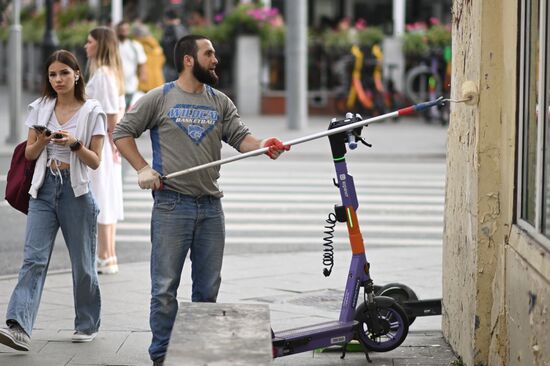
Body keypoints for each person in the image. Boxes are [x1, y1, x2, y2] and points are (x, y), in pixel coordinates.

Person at [113, 34, 290, 366]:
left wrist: (266, 144)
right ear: (188, 60)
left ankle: (196, 354)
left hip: (211, 207)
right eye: (209, 53)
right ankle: (163, 356)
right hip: (171, 205)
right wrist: (143, 168)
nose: (215, 59)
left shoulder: (220, 101)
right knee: (164, 291)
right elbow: (122, 132)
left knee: (207, 292)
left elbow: (240, 137)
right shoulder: (160, 97)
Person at [0, 50, 106, 351]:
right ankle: (18, 326)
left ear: (77, 74)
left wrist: (74, 144)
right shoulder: (41, 108)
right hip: (43, 190)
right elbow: (30, 153)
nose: (58, 79)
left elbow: (96, 160)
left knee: (83, 264)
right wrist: (44, 140)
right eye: (52, 75)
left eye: (63, 73)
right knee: (33, 259)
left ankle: (87, 323)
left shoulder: (92, 111)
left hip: (76, 192)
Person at [85, 26, 125, 275]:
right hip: (110, 146)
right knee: (106, 199)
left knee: (101, 200)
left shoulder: (102, 75)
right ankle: (108, 255)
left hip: (103, 145)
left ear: (100, 45)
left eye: (90, 42)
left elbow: (111, 115)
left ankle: (105, 255)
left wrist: (111, 144)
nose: (86, 46)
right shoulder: (112, 74)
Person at [116, 20, 147, 110]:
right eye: (121, 29)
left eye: (126, 29)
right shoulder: (112, 46)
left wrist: (143, 75)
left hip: (131, 84)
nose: (124, 31)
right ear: (117, 31)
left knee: (128, 108)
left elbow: (142, 62)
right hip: (116, 85)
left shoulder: (135, 46)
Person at [133, 23, 166, 93]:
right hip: (158, 82)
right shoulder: (158, 48)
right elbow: (162, 61)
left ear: (136, 35)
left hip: (142, 84)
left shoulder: (135, 47)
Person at [160, 9, 188, 82]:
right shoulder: (183, 29)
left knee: (170, 91)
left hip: (172, 66)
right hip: (183, 66)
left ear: (167, 18)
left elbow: (165, 46)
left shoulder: (170, 29)